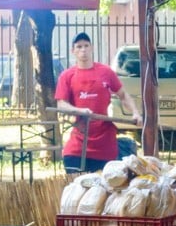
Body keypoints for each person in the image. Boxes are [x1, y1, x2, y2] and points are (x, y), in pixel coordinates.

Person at [55, 32, 142, 173]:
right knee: (76, 186)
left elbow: (123, 95)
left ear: (92, 48)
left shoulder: (106, 72)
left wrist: (136, 113)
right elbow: (61, 104)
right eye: (79, 47)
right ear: (73, 51)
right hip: (78, 143)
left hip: (105, 145)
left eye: (86, 46)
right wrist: (80, 110)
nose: (83, 50)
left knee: (106, 189)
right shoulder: (67, 76)